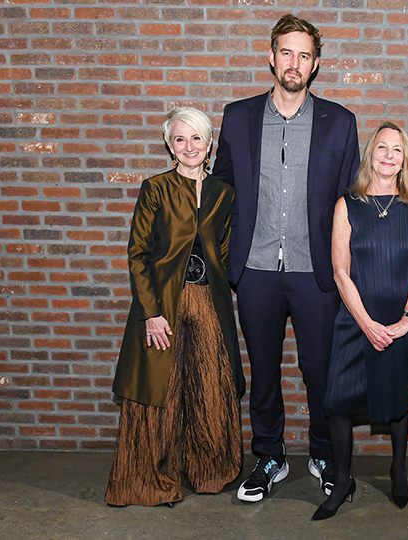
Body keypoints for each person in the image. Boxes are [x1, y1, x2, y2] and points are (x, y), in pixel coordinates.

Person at [212, 13, 360, 503]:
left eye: (304, 55)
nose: (294, 63)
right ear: (270, 56)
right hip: (254, 272)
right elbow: (221, 190)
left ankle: (323, 454)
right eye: (286, 52)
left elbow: (347, 203)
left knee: (320, 371)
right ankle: (269, 456)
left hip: (315, 272)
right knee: (265, 372)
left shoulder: (340, 122)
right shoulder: (237, 116)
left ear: (315, 65)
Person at [106, 107, 244, 507]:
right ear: (169, 144)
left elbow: (225, 249)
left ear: (209, 143)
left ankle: (209, 471)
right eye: (180, 139)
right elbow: (138, 254)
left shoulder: (223, 193)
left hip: (208, 301)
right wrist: (150, 313)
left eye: (196, 138)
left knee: (210, 386)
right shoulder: (156, 188)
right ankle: (153, 481)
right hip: (163, 303)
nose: (189, 146)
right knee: (160, 392)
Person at [311, 122, 408, 521]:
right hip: (355, 319)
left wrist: (407, 320)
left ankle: (398, 471)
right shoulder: (347, 205)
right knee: (337, 405)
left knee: (398, 401)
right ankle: (342, 480)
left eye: (397, 150)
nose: (388, 155)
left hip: (403, 322)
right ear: (370, 154)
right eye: (382, 147)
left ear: (405, 160)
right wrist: (366, 323)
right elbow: (340, 271)